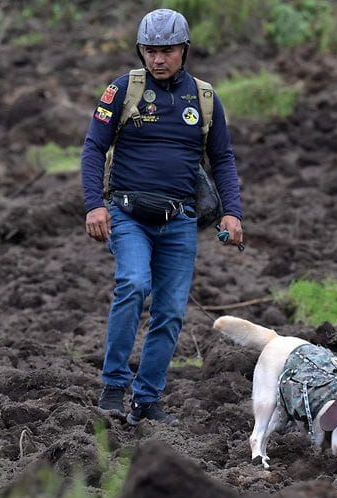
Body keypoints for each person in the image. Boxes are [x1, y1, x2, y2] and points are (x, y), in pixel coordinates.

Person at [80, 8, 244, 425]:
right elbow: (92, 148)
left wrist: (232, 213)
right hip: (128, 214)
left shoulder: (204, 99)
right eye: (150, 51)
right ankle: (114, 387)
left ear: (184, 50)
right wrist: (94, 204)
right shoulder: (121, 90)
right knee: (133, 284)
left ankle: (147, 400)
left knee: (170, 311)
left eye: (167, 51)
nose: (158, 59)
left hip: (180, 221)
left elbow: (221, 158)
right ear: (140, 51)